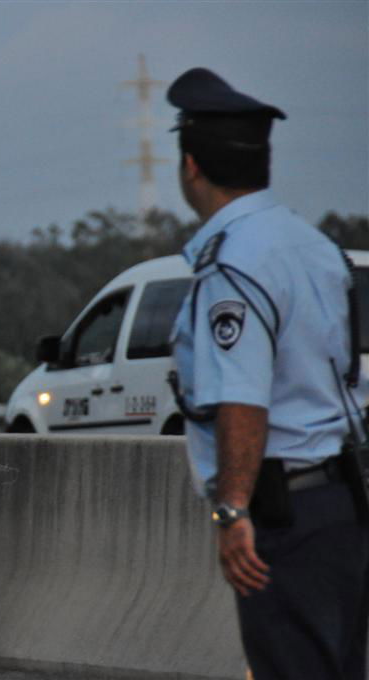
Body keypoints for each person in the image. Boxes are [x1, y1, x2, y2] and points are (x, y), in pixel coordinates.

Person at [167, 67, 369, 679]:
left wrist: (232, 511)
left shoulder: (233, 265)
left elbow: (243, 397)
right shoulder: (315, 247)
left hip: (286, 515)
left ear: (191, 166)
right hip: (343, 502)